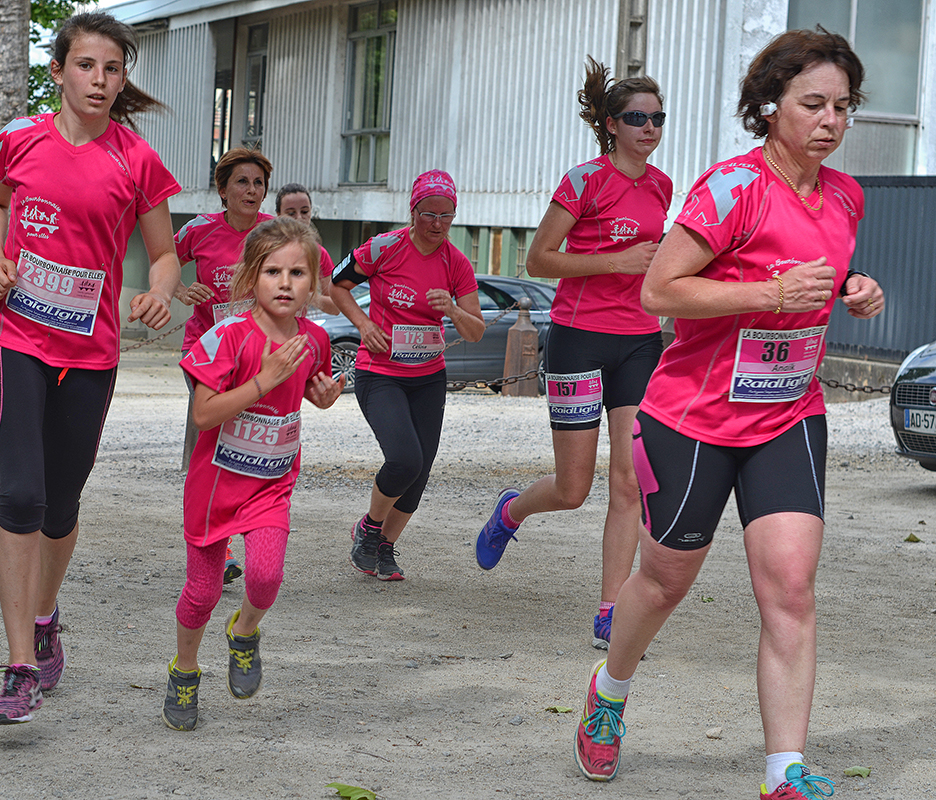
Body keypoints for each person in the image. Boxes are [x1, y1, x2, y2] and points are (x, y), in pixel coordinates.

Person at [571, 29, 884, 799]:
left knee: (791, 588)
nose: (831, 120)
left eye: (843, 106)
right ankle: (609, 691)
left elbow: (824, 269)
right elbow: (661, 290)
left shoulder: (847, 195)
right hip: (694, 420)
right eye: (813, 103)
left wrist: (855, 288)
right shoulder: (731, 189)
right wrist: (770, 294)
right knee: (664, 582)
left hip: (788, 413)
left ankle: (783, 773)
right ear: (771, 105)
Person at [0, 10, 181, 725]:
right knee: (21, 498)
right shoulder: (19, 139)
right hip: (14, 336)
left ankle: (44, 617)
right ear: (58, 71)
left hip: (90, 351)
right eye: (86, 66)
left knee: (60, 506)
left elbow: (164, 252)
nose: (98, 80)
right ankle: (18, 668)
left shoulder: (136, 158)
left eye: (111, 69)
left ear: (122, 80)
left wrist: (160, 291)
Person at [475, 57, 672, 650]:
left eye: (658, 118)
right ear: (612, 124)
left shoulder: (662, 186)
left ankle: (611, 611)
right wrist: (616, 261)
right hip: (579, 338)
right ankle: (511, 511)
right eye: (637, 117)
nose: (649, 127)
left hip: (640, 341)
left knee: (629, 483)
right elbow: (538, 260)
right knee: (573, 488)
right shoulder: (584, 180)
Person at [162, 216, 343, 731]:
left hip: (271, 482)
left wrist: (324, 397)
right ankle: (185, 669)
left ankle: (243, 632)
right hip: (215, 485)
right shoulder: (227, 336)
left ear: (312, 282)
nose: (285, 283)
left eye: (297, 273)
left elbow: (309, 388)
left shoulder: (314, 339)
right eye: (272, 272)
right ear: (250, 277)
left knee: (265, 579)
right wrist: (264, 380)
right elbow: (203, 414)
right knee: (203, 593)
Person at [333, 169, 485, 581]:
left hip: (428, 377)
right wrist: (364, 325)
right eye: (428, 214)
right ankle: (369, 529)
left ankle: (384, 546)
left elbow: (475, 330)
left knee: (420, 472)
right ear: (413, 211)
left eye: (446, 215)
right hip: (380, 372)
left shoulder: (456, 263)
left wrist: (452, 309)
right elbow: (337, 286)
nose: (437, 224)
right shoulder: (385, 248)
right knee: (404, 459)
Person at [174, 147, 276, 585]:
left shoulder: (275, 232)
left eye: (258, 183)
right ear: (222, 190)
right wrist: (180, 291)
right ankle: (217, 543)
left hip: (259, 353)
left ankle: (242, 528)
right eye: (242, 182)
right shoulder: (198, 230)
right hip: (206, 352)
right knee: (214, 440)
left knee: (247, 443)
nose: (251, 190)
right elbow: (163, 260)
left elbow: (307, 275)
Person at [275, 183, 338, 315]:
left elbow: (335, 307)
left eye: (304, 212)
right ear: (278, 215)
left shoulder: (319, 253)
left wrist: (307, 296)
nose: (299, 218)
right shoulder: (265, 248)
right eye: (291, 213)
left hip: (298, 325)